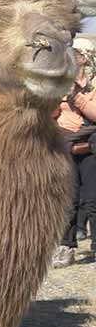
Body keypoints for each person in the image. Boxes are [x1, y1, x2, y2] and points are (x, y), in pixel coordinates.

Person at [53, 41, 96, 268]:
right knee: (68, 199)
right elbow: (53, 113)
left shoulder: (93, 84)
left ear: (85, 58)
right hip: (66, 145)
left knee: (92, 200)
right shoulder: (62, 82)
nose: (71, 56)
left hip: (90, 147)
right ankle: (66, 247)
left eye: (76, 53)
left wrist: (76, 96)